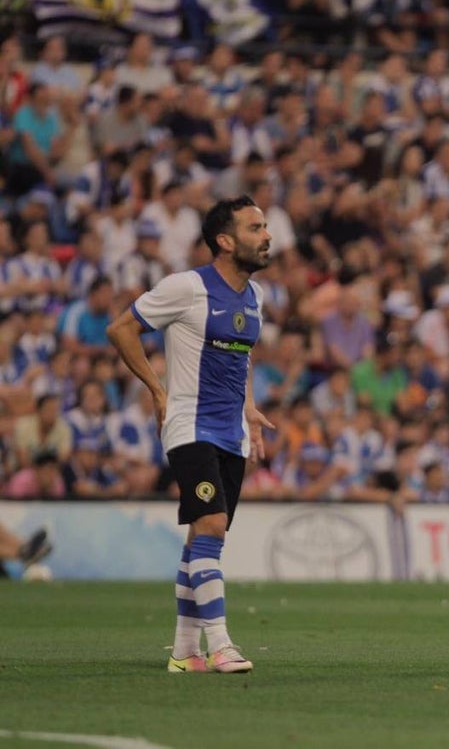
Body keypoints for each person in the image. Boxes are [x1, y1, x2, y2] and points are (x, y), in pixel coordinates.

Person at [106, 195, 274, 674]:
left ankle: (184, 652)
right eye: (255, 228)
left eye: (265, 226)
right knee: (212, 526)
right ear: (225, 241)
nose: (267, 236)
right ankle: (221, 644)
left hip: (232, 433)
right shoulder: (186, 287)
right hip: (189, 425)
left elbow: (242, 355)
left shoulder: (255, 297)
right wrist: (156, 390)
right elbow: (120, 329)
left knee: (203, 538)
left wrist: (250, 405)